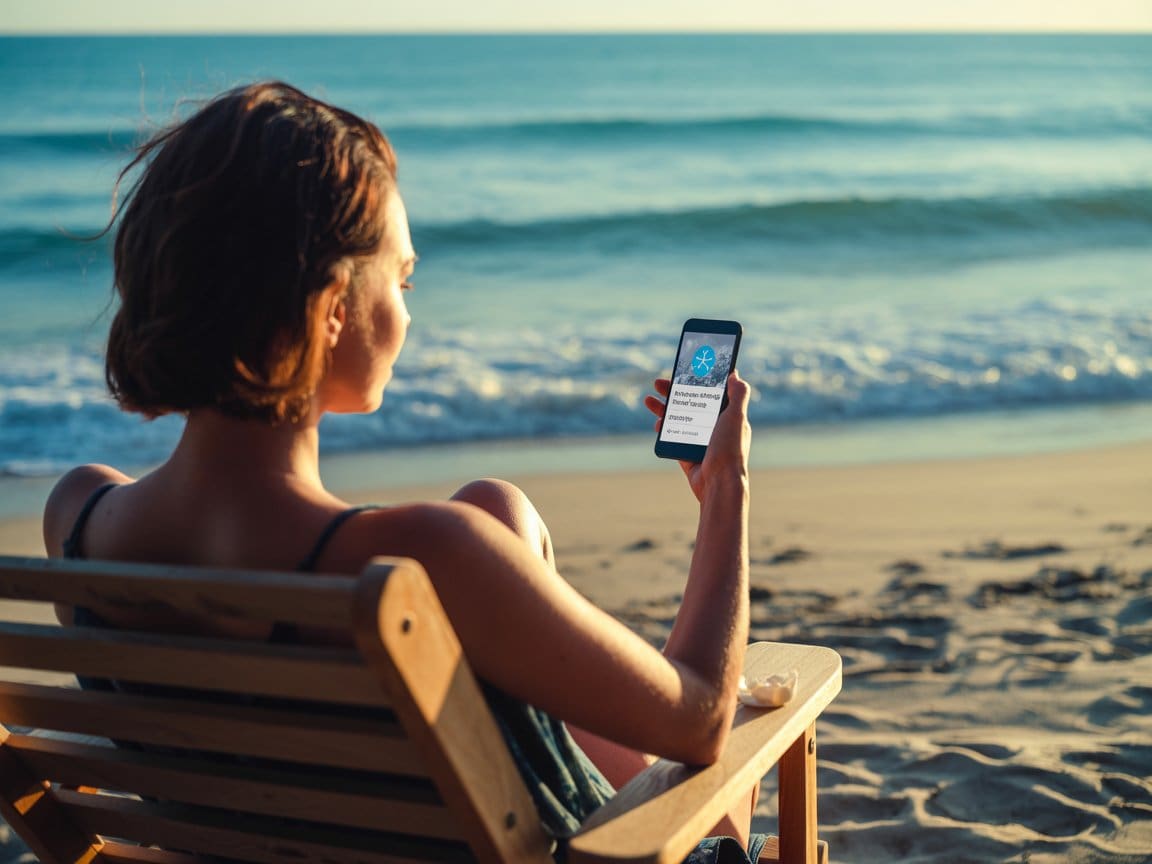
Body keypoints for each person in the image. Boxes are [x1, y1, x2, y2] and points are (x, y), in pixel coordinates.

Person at [42, 81, 761, 863]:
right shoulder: (427, 560)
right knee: (745, 750)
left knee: (497, 511)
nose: (410, 312)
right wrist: (724, 489)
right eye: (402, 279)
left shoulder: (77, 517)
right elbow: (700, 720)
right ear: (332, 309)